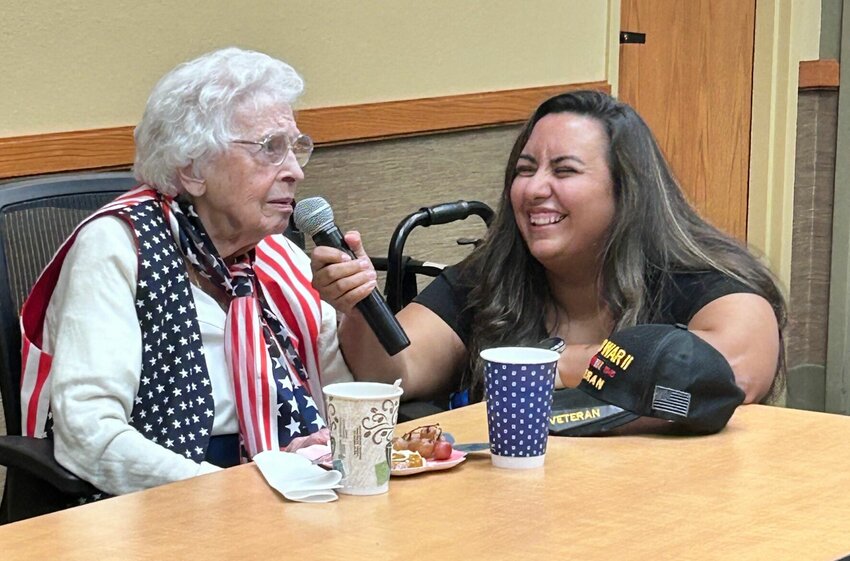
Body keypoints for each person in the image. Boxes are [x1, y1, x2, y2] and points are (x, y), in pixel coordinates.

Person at [310, 90, 785, 419]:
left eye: (565, 170)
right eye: (524, 169)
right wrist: (356, 307)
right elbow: (394, 371)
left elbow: (727, 373)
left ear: (626, 191)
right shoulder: (490, 277)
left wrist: (551, 363)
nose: (535, 189)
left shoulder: (699, 278)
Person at [19, 47, 352, 496]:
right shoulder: (118, 248)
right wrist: (235, 495)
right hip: (160, 501)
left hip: (294, 488)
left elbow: (342, 402)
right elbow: (89, 436)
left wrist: (355, 311)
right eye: (270, 148)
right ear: (193, 168)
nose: (295, 171)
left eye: (296, 149)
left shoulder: (281, 257)